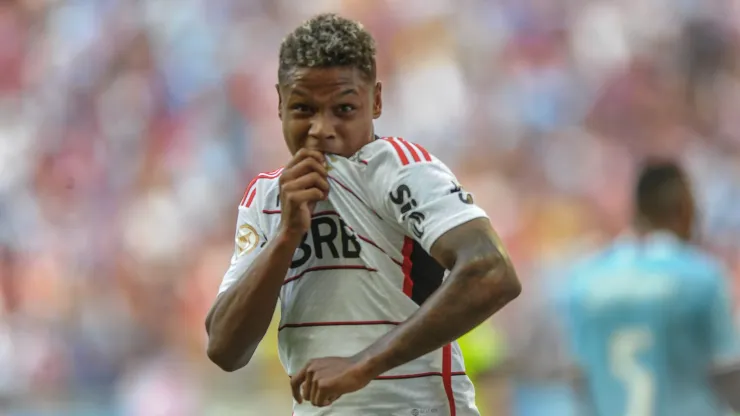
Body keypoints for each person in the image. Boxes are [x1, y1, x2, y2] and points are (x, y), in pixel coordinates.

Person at [204, 13, 521, 416]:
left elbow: (493, 272)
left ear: (375, 101)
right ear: (280, 103)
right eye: (303, 108)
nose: (322, 128)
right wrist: (286, 236)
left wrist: (363, 364)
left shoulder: (398, 169)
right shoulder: (266, 197)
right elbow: (225, 350)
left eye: (344, 108)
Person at [562, 160, 740, 416]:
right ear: (682, 207)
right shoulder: (701, 277)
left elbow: (580, 379)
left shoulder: (585, 281)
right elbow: (728, 374)